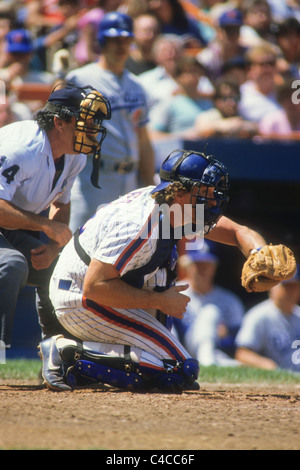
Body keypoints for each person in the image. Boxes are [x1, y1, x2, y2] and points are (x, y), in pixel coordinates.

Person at [40, 147, 269, 393]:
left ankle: (88, 359)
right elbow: (94, 286)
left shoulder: (174, 206)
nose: (212, 199)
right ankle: (67, 354)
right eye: (205, 192)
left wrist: (262, 255)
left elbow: (238, 232)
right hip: (80, 296)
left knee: (177, 375)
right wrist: (159, 301)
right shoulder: (138, 223)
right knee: (177, 371)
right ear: (179, 191)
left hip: (100, 289)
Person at [0, 82, 111, 349]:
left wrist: (52, 247)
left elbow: (61, 202)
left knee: (62, 268)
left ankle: (60, 352)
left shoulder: (74, 156)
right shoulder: (21, 148)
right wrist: (45, 226)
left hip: (14, 226)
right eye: (84, 121)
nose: (92, 129)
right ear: (60, 122)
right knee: (12, 265)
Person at [66, 11, 155, 233]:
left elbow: (143, 140)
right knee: (75, 251)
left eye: (126, 39)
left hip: (129, 183)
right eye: (115, 39)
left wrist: (148, 185)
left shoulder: (137, 85)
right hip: (92, 180)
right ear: (102, 41)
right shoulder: (80, 79)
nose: (121, 45)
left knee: (122, 257)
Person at [172, 239, 245, 366]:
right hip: (181, 353)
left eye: (206, 264)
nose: (202, 269)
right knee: (210, 312)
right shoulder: (174, 293)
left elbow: (239, 343)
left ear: (214, 267)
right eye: (197, 264)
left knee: (210, 312)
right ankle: (205, 362)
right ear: (188, 266)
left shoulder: (229, 300)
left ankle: (207, 361)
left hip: (216, 353)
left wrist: (225, 337)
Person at [235, 267, 300, 373]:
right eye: (286, 286)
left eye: (294, 286)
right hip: (279, 381)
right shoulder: (259, 315)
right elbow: (243, 354)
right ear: (272, 287)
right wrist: (266, 364)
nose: (291, 291)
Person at [193, 77, 258, 138]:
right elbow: (201, 130)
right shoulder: (206, 117)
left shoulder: (243, 117)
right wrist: (224, 126)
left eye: (235, 98)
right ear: (216, 100)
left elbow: (257, 128)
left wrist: (242, 126)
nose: (231, 103)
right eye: (225, 98)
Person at [197, 8, 248, 81]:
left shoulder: (247, 54)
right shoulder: (207, 57)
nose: (232, 35)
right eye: (228, 30)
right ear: (219, 32)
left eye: (236, 30)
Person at [238, 43, 282, 123]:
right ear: (250, 68)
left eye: (271, 63)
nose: (268, 69)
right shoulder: (241, 94)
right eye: (263, 64)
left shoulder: (285, 94)